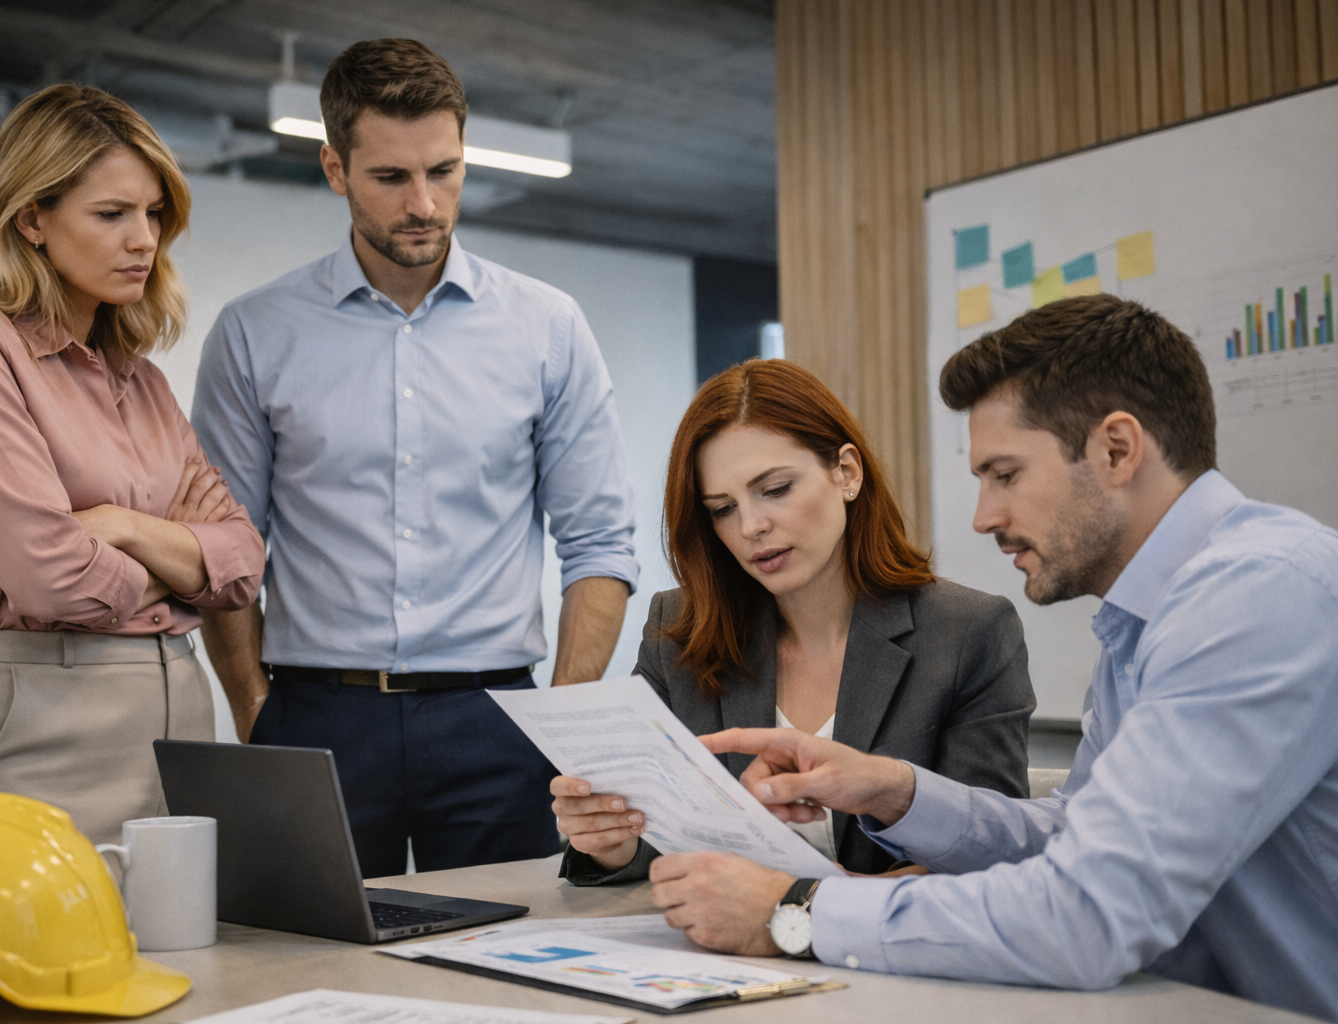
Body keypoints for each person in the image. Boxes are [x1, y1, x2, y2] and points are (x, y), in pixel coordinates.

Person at [646, 295, 1338, 1023]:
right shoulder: (1147, 621)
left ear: (1116, 449)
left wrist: (795, 911)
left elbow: (1086, 917)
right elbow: (1074, 835)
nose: (985, 517)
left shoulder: (1257, 594)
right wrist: (895, 792)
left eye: (1005, 474)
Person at [191, 38, 638, 878]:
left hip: (496, 720)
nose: (424, 204)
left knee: (506, 950)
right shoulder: (255, 332)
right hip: (316, 716)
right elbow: (224, 548)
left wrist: (566, 725)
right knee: (306, 946)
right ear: (335, 169)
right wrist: (253, 707)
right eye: (391, 177)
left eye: (444, 171)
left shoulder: (546, 327)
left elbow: (600, 544)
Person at [0, 84, 266, 846]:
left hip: (178, 722)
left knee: (176, 929)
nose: (145, 240)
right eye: (112, 214)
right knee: (33, 924)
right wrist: (181, 560)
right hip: (40, 720)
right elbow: (52, 576)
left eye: (154, 214)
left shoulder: (143, 378)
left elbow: (241, 562)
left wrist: (124, 528)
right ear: (32, 218)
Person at [553, 359, 1035, 881]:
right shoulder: (679, 630)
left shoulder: (970, 631)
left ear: (846, 473)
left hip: (885, 936)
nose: (751, 526)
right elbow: (659, 841)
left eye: (776, 488)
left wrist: (803, 906)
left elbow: (990, 857)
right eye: (722, 509)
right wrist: (611, 839)